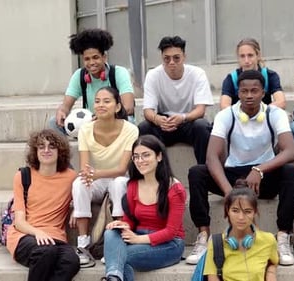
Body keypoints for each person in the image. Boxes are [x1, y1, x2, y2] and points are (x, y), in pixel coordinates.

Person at [187, 70, 294, 266]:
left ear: (263, 92)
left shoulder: (275, 114)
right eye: (244, 91)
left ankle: (283, 236)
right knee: (196, 173)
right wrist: (229, 192)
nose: (249, 95)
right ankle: (203, 236)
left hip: (264, 176)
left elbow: (290, 151)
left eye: (254, 91)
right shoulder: (226, 115)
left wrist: (259, 170)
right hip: (235, 175)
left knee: (291, 172)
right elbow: (211, 157)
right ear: (238, 93)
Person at [101, 135, 186, 281]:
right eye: (136, 157)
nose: (140, 161)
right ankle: (114, 277)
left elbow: (171, 232)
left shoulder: (174, 188)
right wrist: (122, 225)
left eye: (146, 155)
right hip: (138, 237)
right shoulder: (133, 185)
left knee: (121, 257)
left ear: (159, 157)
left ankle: (113, 275)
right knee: (111, 234)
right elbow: (130, 220)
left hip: (169, 244)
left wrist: (138, 239)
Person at [69, 87, 138, 259]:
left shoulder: (130, 129)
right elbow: (85, 169)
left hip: (121, 179)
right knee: (79, 183)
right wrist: (77, 203)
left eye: (107, 101)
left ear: (117, 107)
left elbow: (122, 169)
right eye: (97, 101)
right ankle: (83, 244)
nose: (101, 105)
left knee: (118, 183)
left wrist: (97, 173)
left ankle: (116, 241)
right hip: (98, 180)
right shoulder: (85, 130)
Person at [5, 129, 79, 281]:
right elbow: (19, 222)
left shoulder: (71, 177)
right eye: (41, 147)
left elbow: (87, 193)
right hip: (25, 236)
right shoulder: (23, 176)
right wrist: (37, 232)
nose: (46, 150)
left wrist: (76, 207)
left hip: (55, 237)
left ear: (60, 151)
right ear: (35, 151)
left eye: (51, 146)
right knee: (46, 252)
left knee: (71, 261)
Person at [138, 35, 214, 164]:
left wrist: (183, 118)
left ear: (184, 57)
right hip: (164, 123)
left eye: (176, 58)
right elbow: (148, 111)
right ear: (162, 58)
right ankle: (154, 174)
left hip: (188, 120)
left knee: (202, 126)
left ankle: (204, 170)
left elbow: (200, 110)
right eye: (167, 59)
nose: (171, 62)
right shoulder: (153, 75)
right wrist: (157, 119)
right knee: (144, 127)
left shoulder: (197, 74)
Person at [50, 28, 135, 134]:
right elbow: (65, 106)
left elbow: (128, 108)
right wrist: (62, 111)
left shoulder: (119, 73)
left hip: (114, 119)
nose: (91, 62)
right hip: (90, 121)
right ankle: (63, 151)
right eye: (87, 59)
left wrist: (103, 117)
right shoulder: (79, 75)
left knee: (129, 122)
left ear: (104, 57)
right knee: (54, 122)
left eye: (95, 57)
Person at [203, 180, 279, 281]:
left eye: (247, 211)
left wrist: (271, 272)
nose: (241, 217)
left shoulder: (268, 240)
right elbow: (212, 277)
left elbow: (273, 261)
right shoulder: (216, 243)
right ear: (227, 210)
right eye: (235, 210)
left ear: (255, 213)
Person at [220, 38, 286, 110]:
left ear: (258, 56)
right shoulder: (232, 79)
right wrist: (241, 114)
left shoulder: (269, 76)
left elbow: (281, 102)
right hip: (239, 119)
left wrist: (261, 113)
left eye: (250, 55)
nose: (246, 60)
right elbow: (224, 106)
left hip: (264, 118)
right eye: (242, 56)